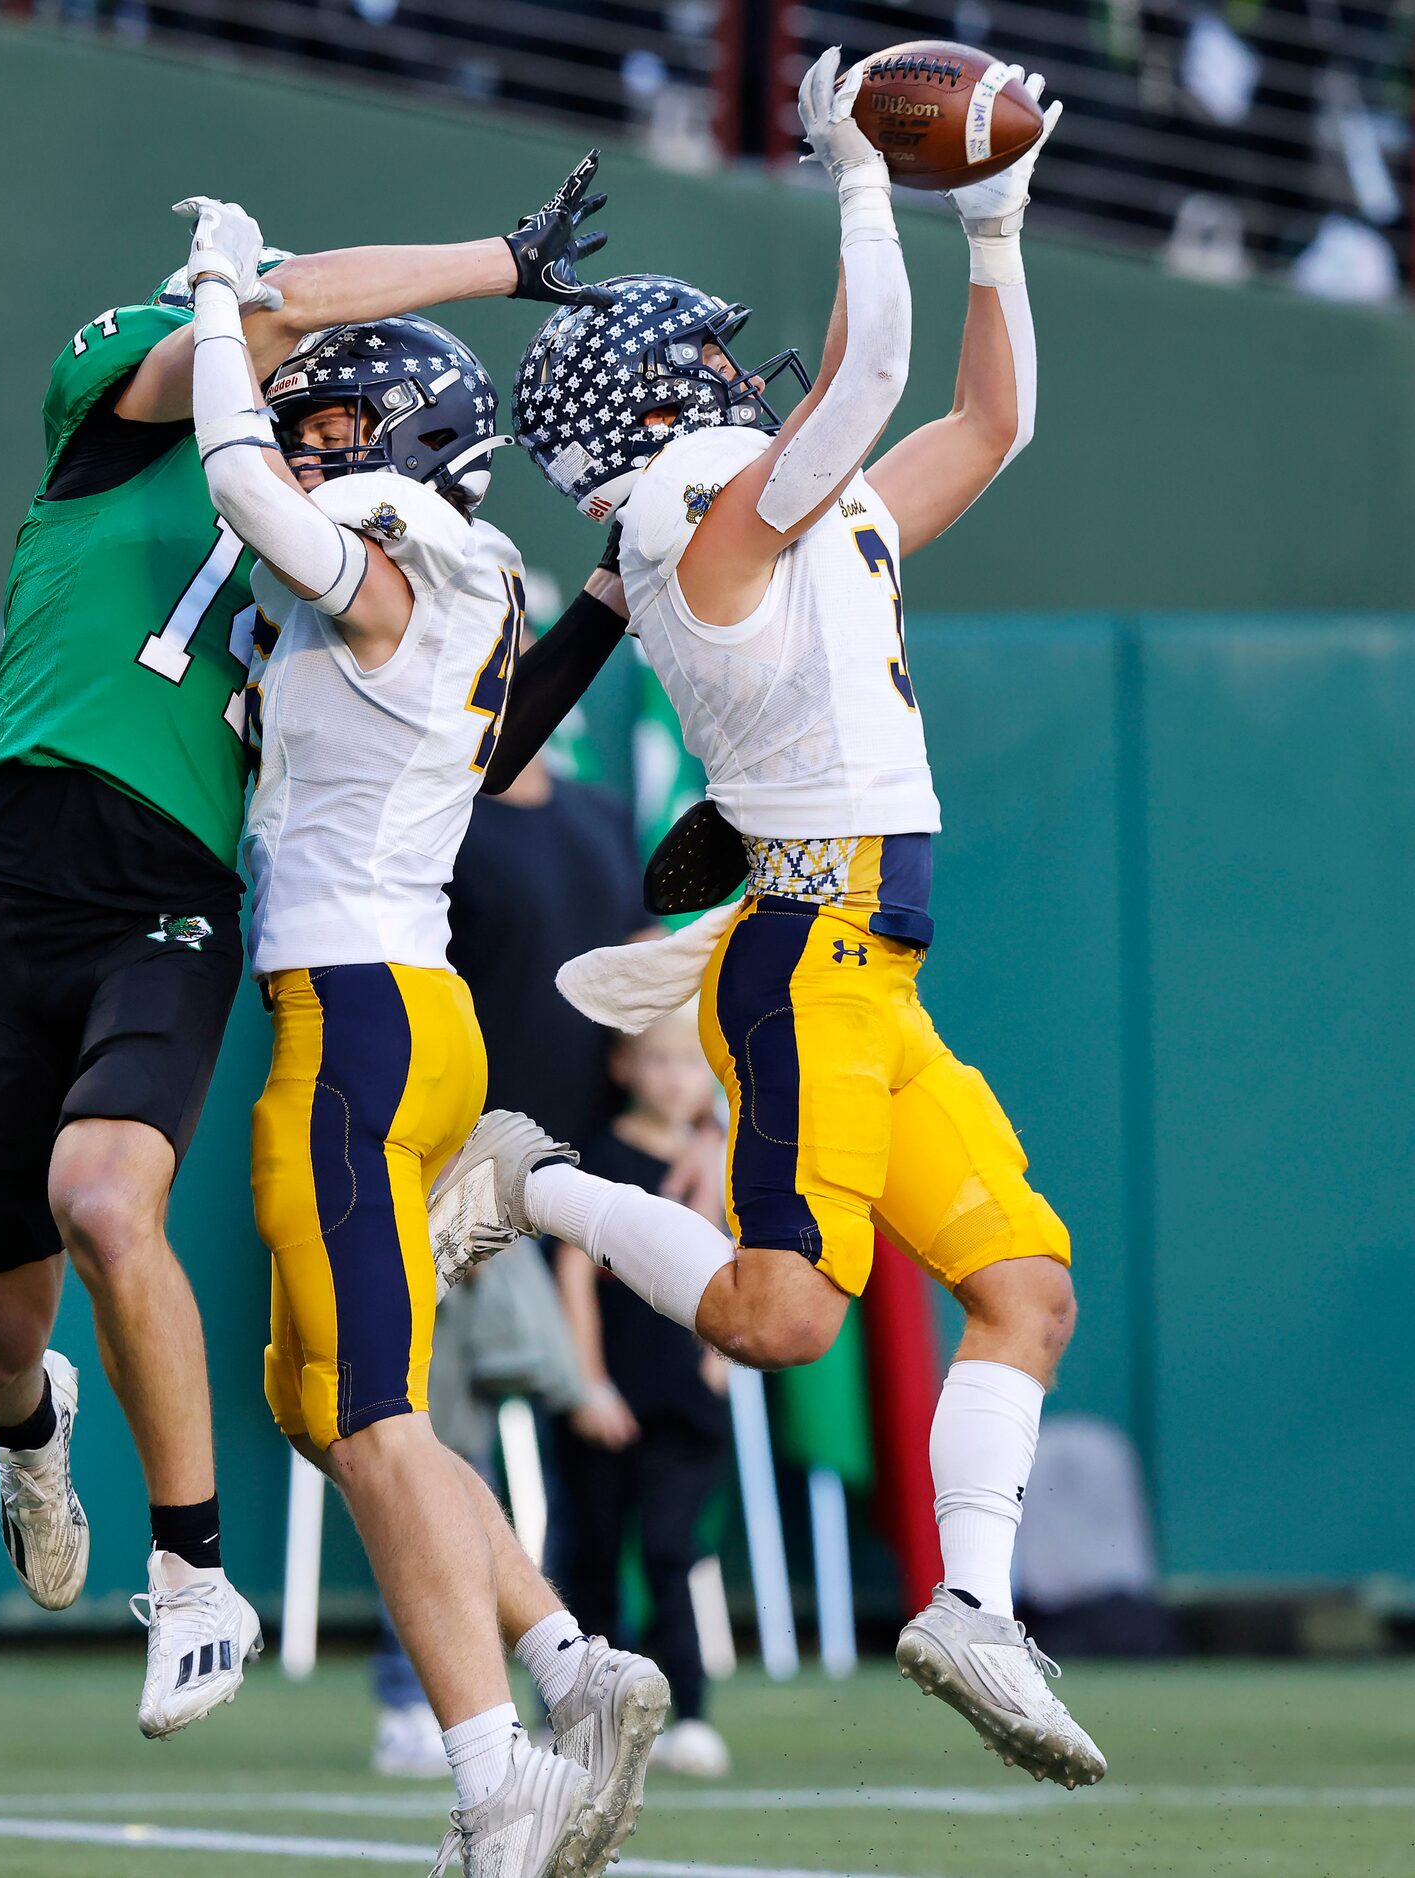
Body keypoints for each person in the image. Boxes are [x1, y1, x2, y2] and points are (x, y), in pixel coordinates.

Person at [0, 156, 615, 1741]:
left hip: (180, 886)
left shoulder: (336, 519)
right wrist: (491, 264)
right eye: (290, 383)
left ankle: (191, 1575)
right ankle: (36, 1435)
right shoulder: (130, 398)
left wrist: (595, 599)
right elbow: (269, 317)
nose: (311, 409)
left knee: (105, 1197)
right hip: (11, 862)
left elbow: (481, 738)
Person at [501, 51, 1107, 1790]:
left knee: (1027, 1287)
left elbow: (986, 422)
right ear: (645, 419)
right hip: (804, 954)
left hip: (873, 971)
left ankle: (971, 1607)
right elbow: (877, 374)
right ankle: (532, 1175)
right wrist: (855, 169)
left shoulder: (789, 521)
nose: (731, 374)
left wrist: (988, 215)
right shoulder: (703, 531)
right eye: (700, 364)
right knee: (780, 1320)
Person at [177, 194, 669, 1878]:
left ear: (406, 438)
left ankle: (495, 1775)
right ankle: (568, 1659)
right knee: (321, 1400)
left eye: (336, 422)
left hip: (356, 1018)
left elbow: (243, 489)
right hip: (411, 1011)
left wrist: (226, 300)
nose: (311, 450)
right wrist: (602, 604)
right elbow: (500, 733)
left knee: (374, 1411)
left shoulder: (398, 543)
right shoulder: (467, 584)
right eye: (310, 423)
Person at [552, 1003, 734, 1780]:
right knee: (589, 1553)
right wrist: (586, 1383)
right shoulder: (595, 1161)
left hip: (684, 1403)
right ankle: (584, 1718)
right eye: (654, 1059)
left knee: (670, 1550)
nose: (671, 1077)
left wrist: (720, 1359)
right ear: (622, 1067)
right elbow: (573, 1277)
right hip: (606, 1400)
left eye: (687, 1062)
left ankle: (687, 1714)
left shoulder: (721, 1163)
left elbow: (741, 1258)